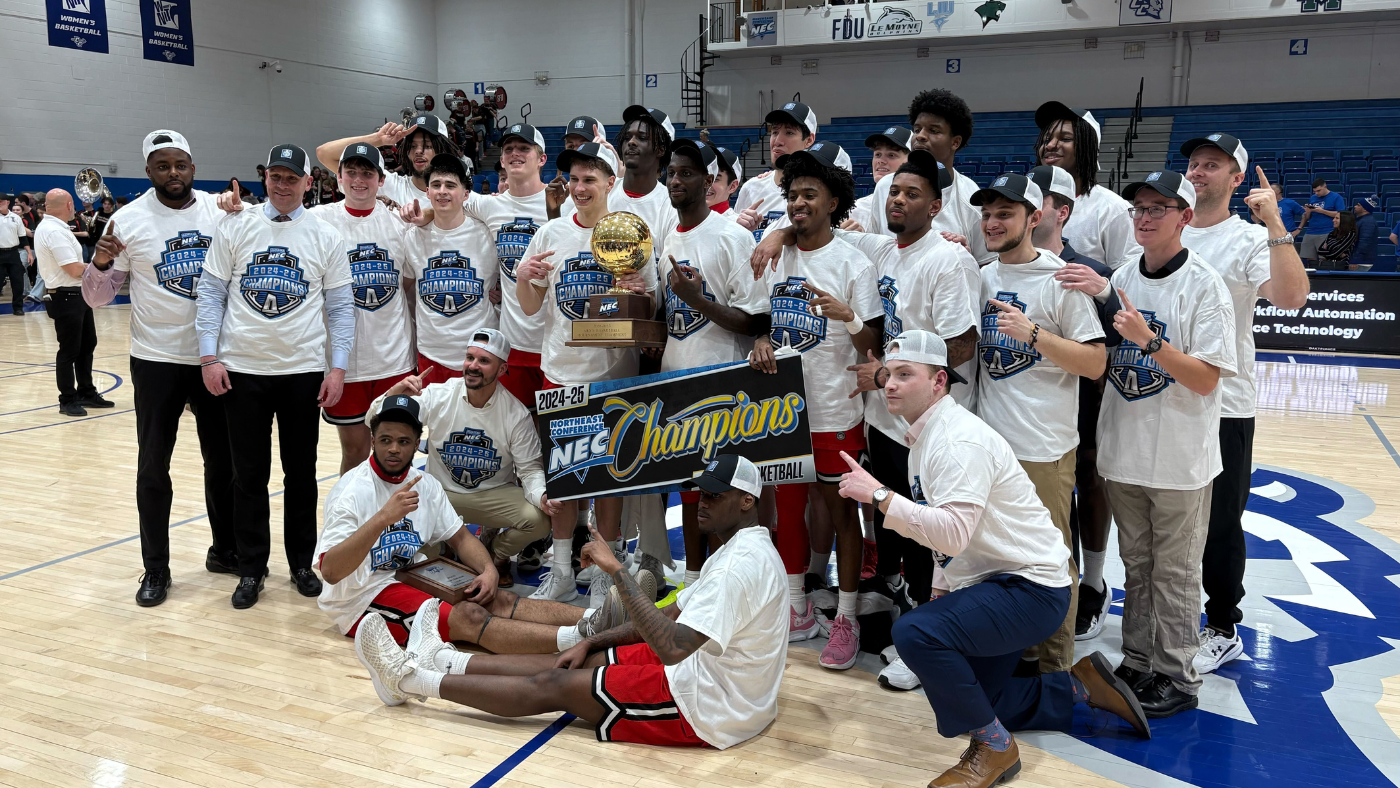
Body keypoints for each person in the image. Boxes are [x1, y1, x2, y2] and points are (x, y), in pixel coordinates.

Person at [836, 329, 1149, 788]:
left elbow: (954, 533)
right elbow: (944, 526)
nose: (891, 384)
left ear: (940, 382)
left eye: (906, 375)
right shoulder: (927, 435)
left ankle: (994, 748)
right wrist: (942, 585)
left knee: (913, 633)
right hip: (997, 581)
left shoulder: (957, 443)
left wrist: (880, 496)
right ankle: (1080, 687)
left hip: (1032, 589)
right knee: (985, 698)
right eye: (888, 375)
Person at [352, 453, 791, 752]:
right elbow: (670, 617)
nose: (701, 502)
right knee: (579, 656)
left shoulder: (738, 567)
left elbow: (672, 646)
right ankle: (442, 659)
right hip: (703, 676)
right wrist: (591, 639)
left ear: (746, 500)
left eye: (714, 495)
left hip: (709, 713)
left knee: (556, 687)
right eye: (702, 491)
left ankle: (408, 680)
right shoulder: (740, 548)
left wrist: (618, 573)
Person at [319, 395, 652, 655]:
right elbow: (331, 571)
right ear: (373, 439)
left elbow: (461, 538)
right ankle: (585, 637)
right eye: (386, 439)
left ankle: (611, 620)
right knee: (471, 617)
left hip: (409, 575)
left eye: (404, 441)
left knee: (497, 600)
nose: (394, 449)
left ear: (417, 442)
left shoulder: (424, 482)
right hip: (362, 599)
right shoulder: (351, 492)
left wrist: (489, 571)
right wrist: (381, 520)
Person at [82, 129, 240, 606]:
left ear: (193, 166)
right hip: (155, 361)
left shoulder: (221, 210)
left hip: (213, 358)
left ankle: (225, 549)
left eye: (181, 165)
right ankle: (156, 569)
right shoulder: (127, 222)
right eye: (162, 166)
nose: (173, 173)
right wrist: (103, 262)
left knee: (223, 462)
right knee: (154, 467)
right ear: (148, 171)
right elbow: (96, 296)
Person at [1101, 170, 1238, 718]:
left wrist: (1148, 339)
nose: (1146, 216)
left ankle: (1177, 675)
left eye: (1160, 207)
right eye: (1139, 207)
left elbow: (1206, 378)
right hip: (1123, 448)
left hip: (1180, 456)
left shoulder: (1206, 284)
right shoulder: (1120, 275)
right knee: (1135, 564)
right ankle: (1138, 659)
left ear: (1185, 217)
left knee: (1176, 570)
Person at [197, 143, 355, 609]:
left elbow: (341, 309)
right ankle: (250, 569)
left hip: (302, 371)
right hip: (242, 370)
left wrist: (338, 368)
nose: (283, 185)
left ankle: (302, 564)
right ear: (265, 178)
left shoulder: (325, 236)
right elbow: (211, 295)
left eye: (293, 178)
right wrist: (210, 358)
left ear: (310, 183)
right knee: (248, 476)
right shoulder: (236, 225)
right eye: (276, 176)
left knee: (301, 474)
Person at [748, 144, 883, 670]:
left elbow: (870, 341)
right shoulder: (778, 252)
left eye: (810, 194)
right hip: (784, 410)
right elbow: (762, 317)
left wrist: (848, 316)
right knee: (788, 513)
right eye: (793, 194)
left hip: (834, 409)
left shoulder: (854, 262)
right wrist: (760, 341)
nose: (798, 203)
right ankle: (798, 608)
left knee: (842, 516)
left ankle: (846, 616)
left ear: (833, 201)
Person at [1178, 135, 1309, 675]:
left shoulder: (1249, 238)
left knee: (1221, 521)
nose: (1200, 171)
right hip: (1161, 399)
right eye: (1194, 164)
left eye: (1214, 166)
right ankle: (1175, 612)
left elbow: (1292, 297)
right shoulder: (1164, 230)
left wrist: (1276, 223)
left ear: (1237, 181)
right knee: (1172, 519)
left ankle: (1222, 624)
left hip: (1225, 403)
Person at [971, 172, 1107, 675]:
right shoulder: (981, 275)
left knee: (1050, 560)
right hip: (990, 445)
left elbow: (1095, 364)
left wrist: (1034, 335)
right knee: (997, 557)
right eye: (986, 213)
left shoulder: (1061, 279)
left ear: (1034, 218)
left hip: (1044, 447)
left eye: (1004, 213)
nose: (992, 222)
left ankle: (1052, 665)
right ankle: (1013, 652)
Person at [516, 142, 656, 605]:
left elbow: (650, 312)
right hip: (560, 371)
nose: (579, 188)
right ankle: (560, 570)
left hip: (614, 373)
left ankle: (602, 573)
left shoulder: (634, 234)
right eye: (574, 179)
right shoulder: (550, 233)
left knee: (609, 480)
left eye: (589, 179)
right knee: (566, 477)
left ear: (611, 183)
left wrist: (638, 292)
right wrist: (522, 279)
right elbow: (533, 308)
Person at [658, 139, 767, 588]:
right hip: (675, 377)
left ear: (709, 182)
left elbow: (754, 321)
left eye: (687, 173)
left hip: (723, 383)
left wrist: (696, 300)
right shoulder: (669, 235)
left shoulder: (733, 237)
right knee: (688, 488)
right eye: (672, 173)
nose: (677, 180)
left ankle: (726, 581)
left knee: (722, 493)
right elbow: (672, 316)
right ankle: (695, 578)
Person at [370, 329, 557, 584]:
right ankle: (444, 547)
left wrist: (542, 495)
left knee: (538, 519)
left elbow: (530, 471)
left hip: (490, 497)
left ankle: (493, 555)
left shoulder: (516, 413)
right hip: (439, 493)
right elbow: (375, 421)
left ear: (502, 370)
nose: (473, 366)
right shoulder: (439, 394)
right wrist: (395, 393)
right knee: (419, 555)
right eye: (469, 357)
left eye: (483, 361)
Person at [1031, 165, 1125, 642]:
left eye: (1041, 200)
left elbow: (1110, 351)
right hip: (1025, 404)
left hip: (1083, 401)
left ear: (1062, 212)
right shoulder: (999, 264)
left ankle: (1092, 582)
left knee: (1087, 482)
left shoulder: (1093, 271)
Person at [308, 143, 417, 474]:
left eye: (367, 173)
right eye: (351, 172)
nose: (359, 179)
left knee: (397, 453)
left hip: (394, 359)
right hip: (345, 363)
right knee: (354, 453)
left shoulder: (400, 223)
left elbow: (408, 282)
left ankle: (395, 524)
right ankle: (350, 524)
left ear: (381, 180)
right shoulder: (317, 221)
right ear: (338, 177)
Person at [461, 123, 552, 408]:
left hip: (557, 343)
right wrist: (422, 213)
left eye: (524, 148)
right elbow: (444, 200)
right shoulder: (490, 206)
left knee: (555, 438)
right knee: (519, 434)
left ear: (541, 158)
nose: (515, 154)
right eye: (509, 149)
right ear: (501, 160)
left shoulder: (564, 203)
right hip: (515, 343)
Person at [851, 90, 995, 265]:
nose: (920, 136)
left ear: (955, 142)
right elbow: (873, 252)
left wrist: (965, 259)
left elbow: (986, 264)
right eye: (917, 129)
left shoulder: (970, 197)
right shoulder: (886, 186)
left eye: (933, 130)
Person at [400, 154, 499, 386]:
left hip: (480, 353)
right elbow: (403, 290)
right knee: (436, 423)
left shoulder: (487, 233)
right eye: (436, 185)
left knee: (482, 421)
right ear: (427, 192)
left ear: (466, 194)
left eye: (450, 185)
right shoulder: (412, 237)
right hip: (431, 354)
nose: (442, 191)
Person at [1035, 102, 1142, 270]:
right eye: (1046, 139)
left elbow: (1126, 276)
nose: (1050, 145)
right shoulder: (1022, 203)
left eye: (1066, 139)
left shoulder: (1113, 209)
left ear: (1089, 148)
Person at [35, 188, 109, 416]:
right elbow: (74, 269)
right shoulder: (53, 231)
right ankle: (67, 399)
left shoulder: (56, 228)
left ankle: (86, 391)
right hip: (66, 296)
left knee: (87, 345)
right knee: (69, 350)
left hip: (77, 294)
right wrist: (105, 268)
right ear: (69, 205)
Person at [317, 115, 462, 210]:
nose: (418, 151)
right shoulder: (390, 185)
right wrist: (378, 140)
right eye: (412, 146)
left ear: (444, 150)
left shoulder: (459, 194)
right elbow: (324, 154)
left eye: (428, 146)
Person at [736, 101, 818, 241]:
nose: (777, 141)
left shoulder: (821, 192)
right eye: (774, 132)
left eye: (789, 133)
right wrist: (738, 233)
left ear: (809, 140)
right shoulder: (752, 188)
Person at [848, 126, 912, 231]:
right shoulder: (857, 208)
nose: (880, 161)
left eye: (891, 155)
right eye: (878, 154)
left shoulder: (924, 208)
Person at [1299, 176, 1345, 265]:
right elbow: (1308, 217)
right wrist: (1308, 211)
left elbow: (1341, 214)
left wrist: (1322, 211)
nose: (1316, 193)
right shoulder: (1313, 198)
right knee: (1309, 258)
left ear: (1325, 187)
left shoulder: (1336, 197)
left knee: (1324, 258)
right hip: (1311, 231)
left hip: (1327, 231)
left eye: (1318, 191)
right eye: (1315, 191)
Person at [0, 193, 28, 315]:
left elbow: (23, 237)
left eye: (1, 201)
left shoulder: (16, 218)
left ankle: (18, 307)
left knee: (18, 281)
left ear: (7, 202)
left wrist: (29, 253)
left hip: (13, 252)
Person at [706, 146, 743, 219]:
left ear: (732, 186)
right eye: (703, 176)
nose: (706, 183)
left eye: (715, 178)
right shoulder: (679, 218)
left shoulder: (737, 225)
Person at [1351, 194, 1380, 270]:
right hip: (1361, 260)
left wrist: (1355, 260)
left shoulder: (1368, 222)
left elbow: (1364, 242)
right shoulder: (1362, 220)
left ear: (1365, 209)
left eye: (1358, 205)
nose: (1355, 206)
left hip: (1362, 262)